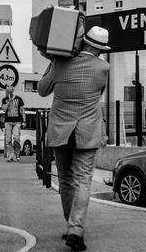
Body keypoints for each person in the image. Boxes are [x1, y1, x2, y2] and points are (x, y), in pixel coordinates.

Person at [38, 26, 110, 251]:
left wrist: (53, 61)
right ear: (99, 49)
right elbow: (98, 95)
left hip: (61, 131)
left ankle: (71, 225)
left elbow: (41, 90)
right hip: (87, 132)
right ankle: (75, 229)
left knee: (66, 179)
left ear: (82, 42)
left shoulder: (60, 63)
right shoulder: (103, 68)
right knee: (82, 180)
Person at [1, 85, 26, 162]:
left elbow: (22, 111)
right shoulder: (4, 99)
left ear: (13, 91)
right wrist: (8, 102)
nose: (9, 93)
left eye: (10, 91)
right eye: (7, 91)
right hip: (8, 122)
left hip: (17, 121)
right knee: (8, 140)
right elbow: (4, 110)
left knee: (16, 137)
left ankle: (17, 153)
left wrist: (24, 121)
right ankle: (11, 155)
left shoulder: (19, 99)